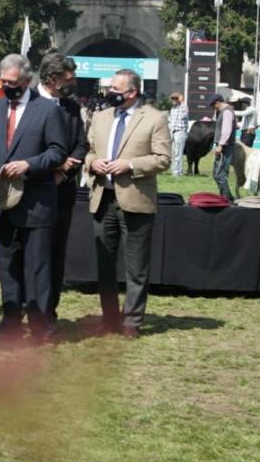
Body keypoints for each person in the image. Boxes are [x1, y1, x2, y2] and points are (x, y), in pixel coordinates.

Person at [0, 54, 68, 344]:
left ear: (26, 80)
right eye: (4, 82)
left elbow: (58, 151)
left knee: (37, 267)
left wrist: (29, 164)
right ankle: (10, 320)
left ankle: (41, 326)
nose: (7, 87)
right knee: (7, 265)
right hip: (1, 203)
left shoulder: (47, 110)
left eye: (12, 83)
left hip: (36, 201)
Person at [85, 69, 171, 339]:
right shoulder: (99, 117)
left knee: (136, 266)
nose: (110, 92)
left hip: (136, 200)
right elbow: (88, 151)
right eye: (110, 87)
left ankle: (132, 321)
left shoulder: (155, 118)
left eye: (116, 89)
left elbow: (163, 158)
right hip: (103, 198)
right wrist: (92, 163)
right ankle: (109, 318)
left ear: (132, 92)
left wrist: (130, 164)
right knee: (104, 265)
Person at [35, 52, 88, 322]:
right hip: (31, 193)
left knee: (56, 253)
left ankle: (49, 311)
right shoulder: (29, 103)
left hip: (62, 191)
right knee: (31, 254)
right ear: (53, 78)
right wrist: (46, 169)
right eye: (69, 77)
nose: (73, 81)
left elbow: (81, 144)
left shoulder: (71, 107)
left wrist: (65, 169)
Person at [211, 94, 236, 202]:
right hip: (225, 146)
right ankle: (225, 198)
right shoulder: (227, 111)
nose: (213, 108)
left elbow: (226, 130)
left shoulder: (226, 112)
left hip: (225, 147)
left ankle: (228, 199)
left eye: (213, 105)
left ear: (217, 103)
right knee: (219, 174)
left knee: (219, 175)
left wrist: (220, 145)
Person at [167, 92, 188, 176]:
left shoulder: (184, 107)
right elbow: (171, 120)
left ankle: (178, 172)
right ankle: (174, 171)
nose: (173, 100)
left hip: (180, 131)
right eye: (172, 98)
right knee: (173, 152)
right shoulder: (173, 108)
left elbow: (184, 115)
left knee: (178, 153)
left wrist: (182, 101)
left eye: (175, 98)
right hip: (173, 132)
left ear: (178, 99)